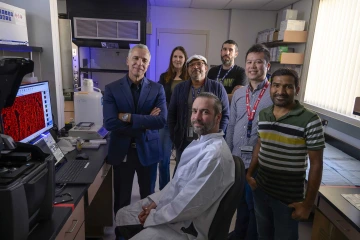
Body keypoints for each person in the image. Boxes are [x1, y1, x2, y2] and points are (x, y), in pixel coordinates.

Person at [115, 92, 235, 240]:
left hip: (187, 227)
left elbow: (189, 203)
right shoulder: (199, 144)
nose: (197, 117)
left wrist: (154, 216)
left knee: (136, 226)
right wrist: (156, 202)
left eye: (205, 112)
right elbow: (178, 182)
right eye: (195, 111)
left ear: (218, 117)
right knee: (123, 215)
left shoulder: (215, 155)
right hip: (176, 212)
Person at [246, 68, 325, 240]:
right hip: (262, 189)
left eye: (288, 87)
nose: (281, 91)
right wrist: (250, 173)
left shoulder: (310, 120)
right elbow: (260, 144)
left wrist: (308, 205)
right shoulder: (264, 114)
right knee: (263, 235)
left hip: (288, 199)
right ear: (270, 87)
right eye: (276, 85)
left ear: (297, 89)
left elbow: (316, 165)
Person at [103, 44, 167, 215]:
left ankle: (145, 233)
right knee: (122, 201)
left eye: (144, 60)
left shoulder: (157, 89)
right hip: (122, 152)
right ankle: (121, 234)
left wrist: (128, 117)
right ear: (127, 61)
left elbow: (161, 120)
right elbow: (110, 122)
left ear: (148, 64)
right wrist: (146, 123)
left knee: (148, 200)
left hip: (148, 151)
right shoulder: (112, 89)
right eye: (136, 58)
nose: (139, 63)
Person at [226, 44, 273, 240]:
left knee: (255, 205)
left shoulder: (274, 94)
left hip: (259, 161)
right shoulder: (238, 93)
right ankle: (239, 234)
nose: (253, 66)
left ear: (267, 66)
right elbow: (231, 124)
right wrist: (227, 154)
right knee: (240, 202)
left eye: (258, 62)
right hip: (237, 158)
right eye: (249, 62)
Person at [168, 54, 229, 170]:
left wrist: (217, 136)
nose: (195, 67)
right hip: (184, 141)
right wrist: (174, 137)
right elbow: (171, 114)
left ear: (206, 68)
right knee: (182, 174)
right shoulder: (179, 88)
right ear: (187, 69)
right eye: (191, 65)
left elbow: (225, 114)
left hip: (209, 142)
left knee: (205, 174)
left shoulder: (217, 88)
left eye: (199, 64)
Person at [152, 46, 189, 191]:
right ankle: (164, 191)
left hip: (183, 124)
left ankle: (176, 191)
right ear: (171, 59)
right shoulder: (164, 77)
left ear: (185, 59)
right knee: (163, 159)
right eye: (175, 56)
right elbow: (159, 97)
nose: (178, 59)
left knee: (181, 160)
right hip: (166, 122)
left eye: (180, 57)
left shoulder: (189, 78)